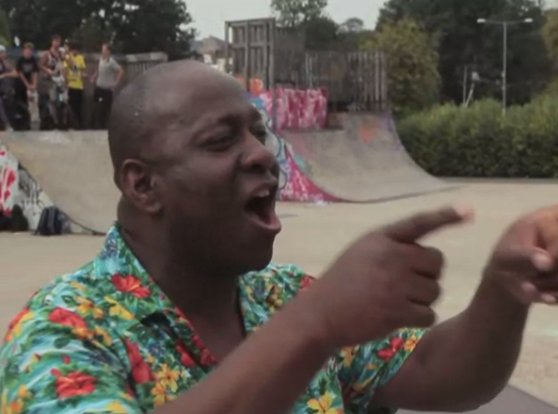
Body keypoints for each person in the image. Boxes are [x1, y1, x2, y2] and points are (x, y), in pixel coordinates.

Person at [1, 60, 558, 414]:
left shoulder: (284, 296)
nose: (263, 155)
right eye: (221, 141)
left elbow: (438, 374)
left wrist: (504, 288)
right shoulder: (59, 335)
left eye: (259, 133)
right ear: (143, 185)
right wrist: (314, 327)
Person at [91, 43, 123, 129]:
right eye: (102, 50)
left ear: (108, 51)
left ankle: (104, 125)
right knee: (95, 106)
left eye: (104, 50)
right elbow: (98, 70)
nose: (103, 52)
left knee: (105, 108)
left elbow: (120, 70)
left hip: (107, 89)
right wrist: (94, 77)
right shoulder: (101, 59)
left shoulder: (111, 62)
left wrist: (116, 83)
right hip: (99, 86)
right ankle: (94, 125)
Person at [39, 34, 65, 129]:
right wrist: (47, 70)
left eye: (59, 41)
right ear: (52, 42)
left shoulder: (61, 54)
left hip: (60, 80)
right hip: (50, 81)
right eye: (55, 41)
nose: (57, 43)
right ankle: (53, 121)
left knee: (61, 100)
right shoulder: (47, 54)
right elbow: (40, 65)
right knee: (53, 100)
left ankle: (61, 120)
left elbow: (65, 64)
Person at [15, 42, 39, 130]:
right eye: (27, 51)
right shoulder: (20, 60)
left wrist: (34, 84)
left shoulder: (33, 60)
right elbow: (20, 74)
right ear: (24, 51)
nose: (28, 53)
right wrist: (27, 85)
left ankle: (32, 118)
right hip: (20, 83)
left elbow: (35, 72)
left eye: (30, 51)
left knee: (31, 99)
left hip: (29, 82)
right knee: (21, 101)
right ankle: (21, 118)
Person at [63, 42, 86, 129]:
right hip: (71, 86)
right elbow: (65, 71)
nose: (75, 52)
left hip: (79, 86)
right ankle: (70, 124)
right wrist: (66, 82)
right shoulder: (68, 58)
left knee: (78, 107)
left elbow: (81, 71)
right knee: (70, 106)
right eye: (73, 50)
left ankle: (79, 125)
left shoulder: (80, 58)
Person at [0, 44, 17, 131]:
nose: (4, 54)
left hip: (3, 89)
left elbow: (15, 73)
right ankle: (6, 124)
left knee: (9, 98)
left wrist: (4, 75)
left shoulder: (5, 64)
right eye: (2, 53)